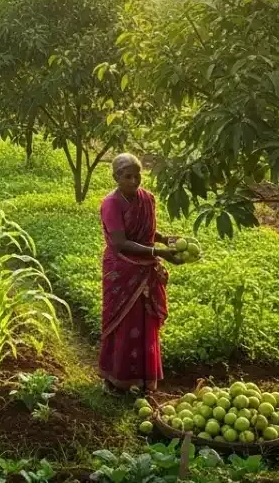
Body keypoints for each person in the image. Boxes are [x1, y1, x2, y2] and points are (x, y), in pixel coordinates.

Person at [98, 153, 180, 395]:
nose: (134, 181)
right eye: (128, 176)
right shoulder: (111, 203)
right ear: (116, 177)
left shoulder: (147, 199)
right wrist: (158, 252)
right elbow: (121, 242)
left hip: (145, 269)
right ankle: (115, 379)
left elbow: (148, 232)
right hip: (121, 270)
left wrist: (165, 240)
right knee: (123, 322)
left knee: (145, 322)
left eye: (137, 175)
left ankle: (143, 379)